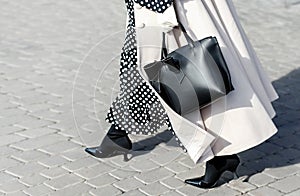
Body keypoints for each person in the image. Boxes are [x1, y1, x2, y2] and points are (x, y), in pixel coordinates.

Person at [85, 0, 278, 189]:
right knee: (141, 66)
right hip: (152, 8)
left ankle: (223, 157)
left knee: (194, 76)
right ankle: (117, 134)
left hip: (173, 8)